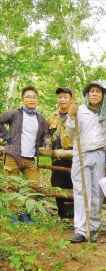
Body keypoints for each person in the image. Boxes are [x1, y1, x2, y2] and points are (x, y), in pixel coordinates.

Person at [66, 81, 106, 243]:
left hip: (100, 154)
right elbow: (71, 133)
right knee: (81, 191)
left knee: (96, 192)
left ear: (103, 96)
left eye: (98, 92)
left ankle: (92, 228)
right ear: (87, 94)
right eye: (92, 91)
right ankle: (81, 230)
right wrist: (71, 116)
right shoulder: (78, 110)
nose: (94, 94)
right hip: (81, 153)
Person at [0, 85, 50, 221]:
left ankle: (25, 213)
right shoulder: (14, 113)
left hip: (30, 158)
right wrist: (6, 137)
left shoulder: (40, 118)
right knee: (12, 186)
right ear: (22, 100)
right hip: (13, 156)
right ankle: (13, 215)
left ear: (37, 100)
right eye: (28, 97)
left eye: (34, 97)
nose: (31, 99)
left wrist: (47, 142)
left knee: (33, 185)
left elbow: (46, 134)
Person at [47, 87, 74, 220]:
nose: (62, 99)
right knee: (57, 184)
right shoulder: (52, 117)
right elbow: (45, 134)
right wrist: (46, 143)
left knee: (72, 184)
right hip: (56, 158)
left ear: (71, 99)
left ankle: (73, 217)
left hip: (73, 156)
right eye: (60, 97)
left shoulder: (76, 115)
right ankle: (63, 216)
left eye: (65, 97)